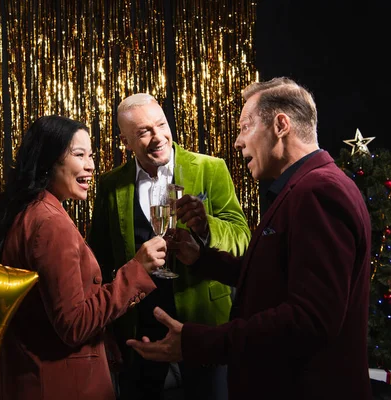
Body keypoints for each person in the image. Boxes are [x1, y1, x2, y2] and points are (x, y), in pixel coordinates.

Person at [126, 77, 373, 400]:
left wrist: (196, 342)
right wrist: (202, 259)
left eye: (245, 127)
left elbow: (310, 320)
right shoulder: (304, 187)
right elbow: (273, 276)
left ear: (281, 124)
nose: (237, 142)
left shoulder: (318, 192)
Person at [0, 115, 168, 400]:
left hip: (32, 378)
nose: (91, 165)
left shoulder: (29, 212)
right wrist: (137, 270)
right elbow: (74, 324)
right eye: (79, 155)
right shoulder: (50, 223)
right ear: (49, 161)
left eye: (90, 155)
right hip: (63, 384)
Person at [87, 93, 251, 400]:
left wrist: (206, 227)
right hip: (140, 330)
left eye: (161, 124)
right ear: (125, 141)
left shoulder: (209, 168)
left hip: (203, 323)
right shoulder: (111, 185)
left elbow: (243, 237)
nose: (158, 136)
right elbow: (98, 256)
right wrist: (105, 328)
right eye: (144, 132)